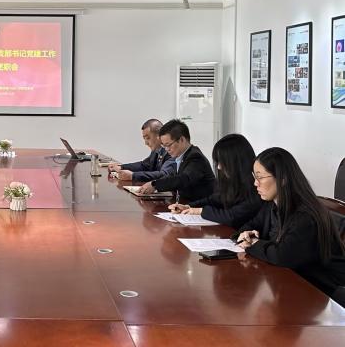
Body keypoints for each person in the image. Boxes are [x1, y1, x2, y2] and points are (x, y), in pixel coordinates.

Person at [236, 148, 345, 304]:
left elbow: (282, 255)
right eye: (254, 177)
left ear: (283, 179)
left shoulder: (306, 215)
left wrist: (253, 243)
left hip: (324, 295)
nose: (255, 183)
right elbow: (248, 226)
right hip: (294, 283)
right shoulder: (272, 205)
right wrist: (249, 234)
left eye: (260, 177)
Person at [168, 133, 262, 228]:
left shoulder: (256, 186)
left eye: (223, 162)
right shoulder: (230, 180)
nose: (219, 167)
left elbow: (232, 216)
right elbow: (214, 199)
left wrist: (201, 211)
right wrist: (188, 206)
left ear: (236, 162)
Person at [139, 119, 215, 201]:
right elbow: (171, 178)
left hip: (198, 206)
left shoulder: (195, 157)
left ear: (182, 140)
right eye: (164, 146)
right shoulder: (180, 157)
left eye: (168, 145)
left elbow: (183, 179)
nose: (167, 149)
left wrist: (155, 185)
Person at [108, 118, 175, 182]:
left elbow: (164, 174)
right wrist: (121, 167)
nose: (146, 143)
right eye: (144, 138)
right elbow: (144, 165)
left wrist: (133, 176)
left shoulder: (170, 152)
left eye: (148, 138)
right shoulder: (156, 151)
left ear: (159, 135)